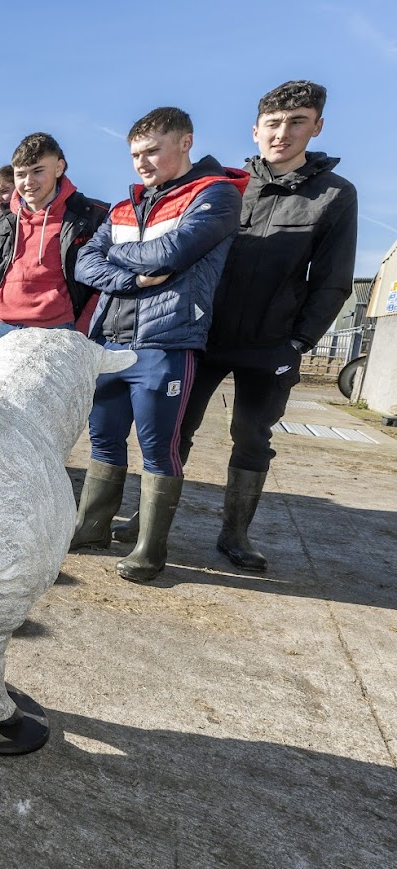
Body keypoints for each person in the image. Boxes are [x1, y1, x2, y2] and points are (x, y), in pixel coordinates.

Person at [173, 81, 357, 571]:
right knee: (175, 429)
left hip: (270, 345)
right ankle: (154, 521)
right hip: (203, 336)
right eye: (273, 123)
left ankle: (235, 535)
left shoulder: (335, 195)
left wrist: (298, 342)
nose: (283, 133)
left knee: (252, 437)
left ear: (316, 127)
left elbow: (334, 281)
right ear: (256, 130)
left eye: (297, 122)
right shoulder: (225, 184)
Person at [71, 107, 247, 583]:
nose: (142, 163)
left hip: (166, 342)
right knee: (104, 440)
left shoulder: (215, 194)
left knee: (157, 448)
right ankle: (91, 528)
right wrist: (130, 277)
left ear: (185, 142)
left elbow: (174, 252)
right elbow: (83, 264)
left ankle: (150, 549)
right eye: (135, 154)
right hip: (109, 340)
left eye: (153, 150)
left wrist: (112, 256)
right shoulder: (124, 206)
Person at [0, 134, 109, 351]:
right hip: (0, 333)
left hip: (60, 334)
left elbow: (104, 281)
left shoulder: (91, 215)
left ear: (59, 167)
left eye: (37, 171)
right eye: (20, 174)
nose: (28, 182)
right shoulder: (1, 221)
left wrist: (82, 327)